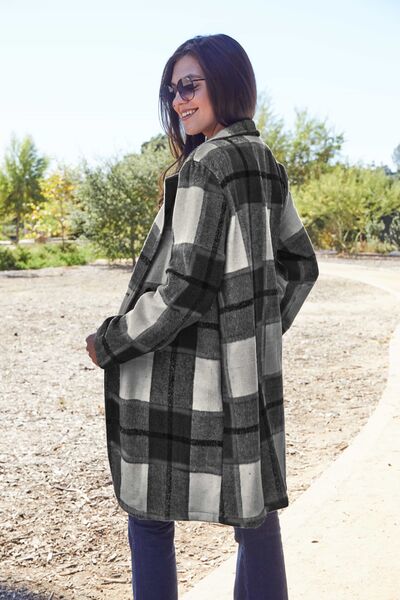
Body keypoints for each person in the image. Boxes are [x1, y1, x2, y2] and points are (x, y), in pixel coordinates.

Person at [86, 33, 319, 600]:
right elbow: (301, 265)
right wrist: (251, 332)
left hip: (176, 378)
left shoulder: (206, 165)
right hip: (246, 379)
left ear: (228, 82)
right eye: (173, 91)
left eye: (190, 85)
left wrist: (110, 341)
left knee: (148, 515)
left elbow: (183, 291)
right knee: (254, 514)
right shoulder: (266, 164)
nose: (179, 101)